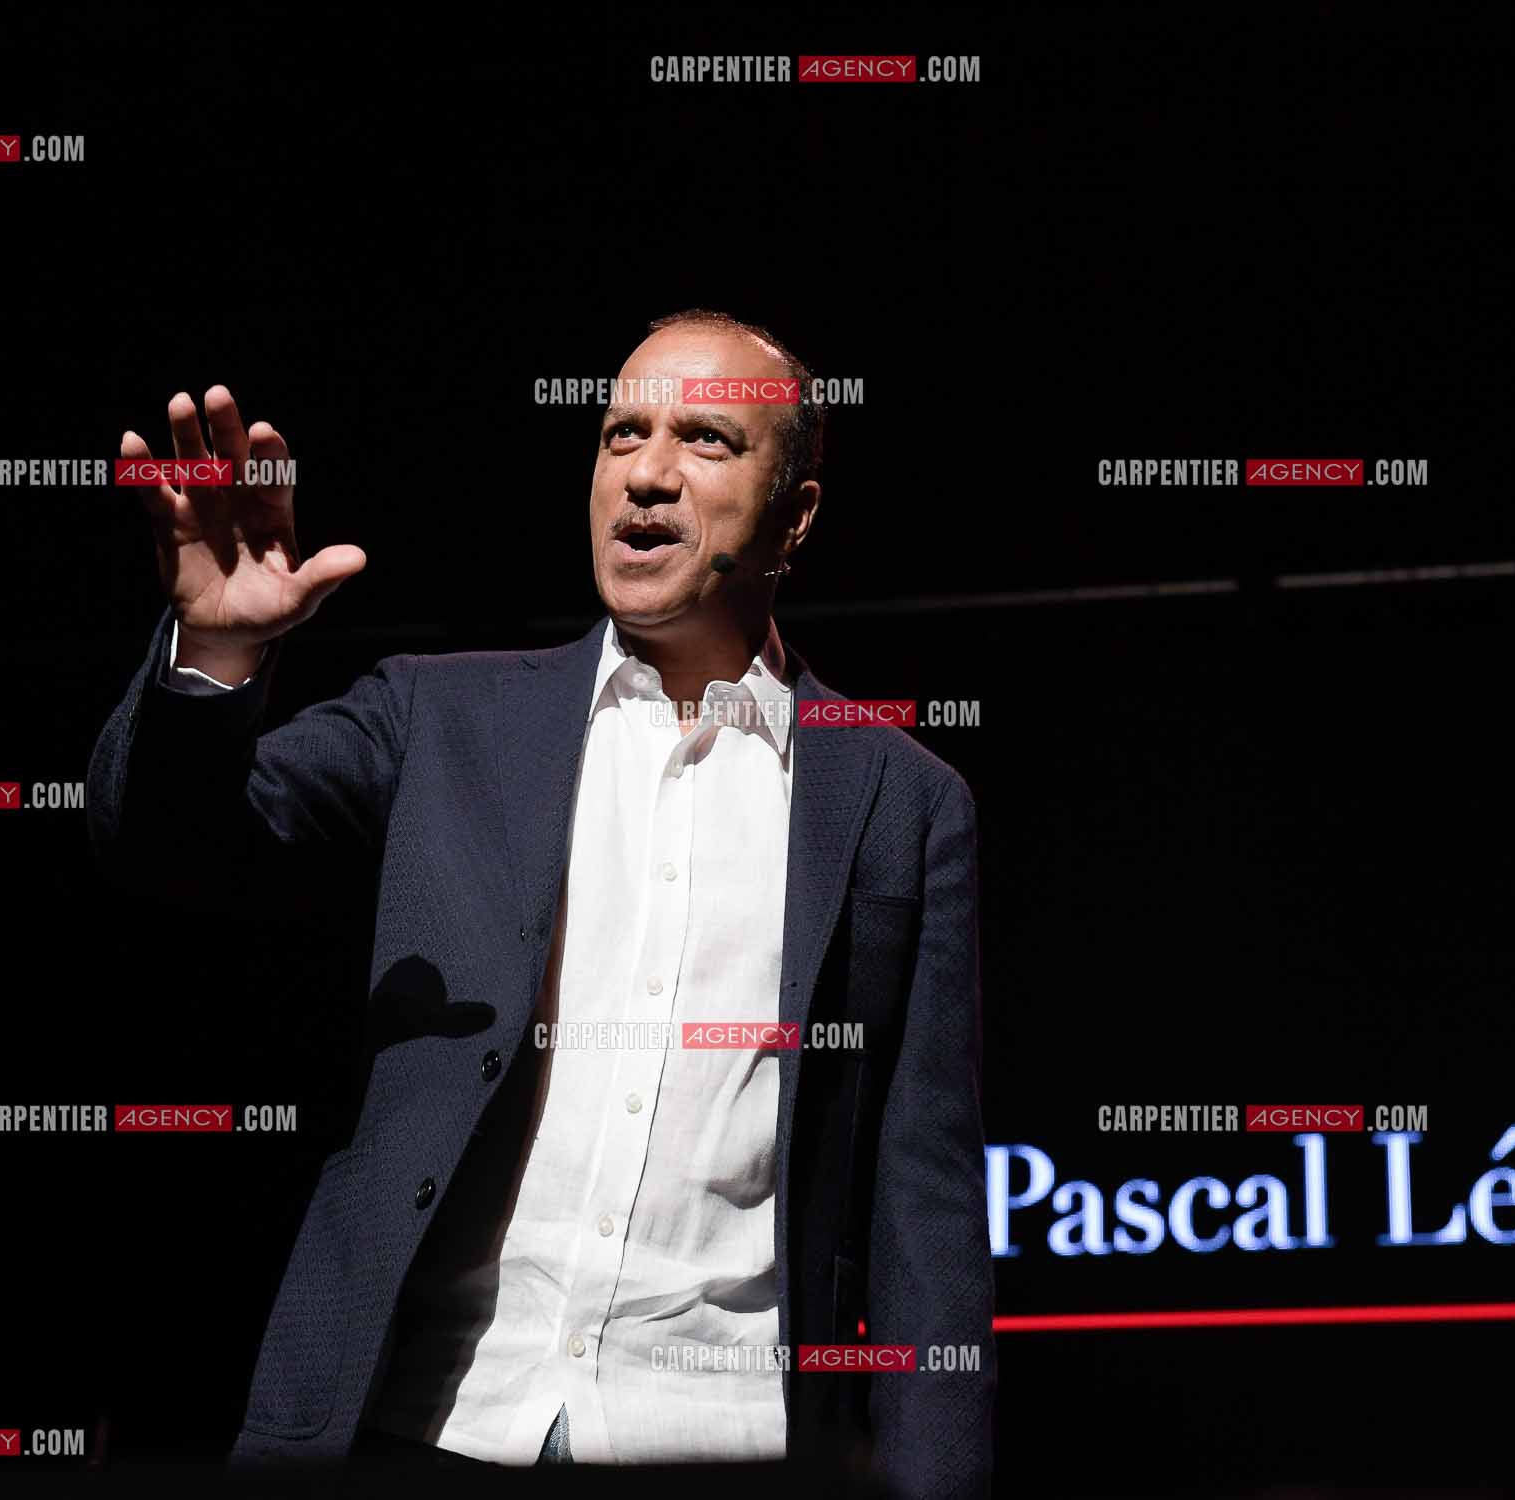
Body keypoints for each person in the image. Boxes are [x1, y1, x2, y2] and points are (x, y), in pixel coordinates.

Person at [88, 310, 993, 1498]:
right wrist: (212, 656)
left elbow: (925, 1211)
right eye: (622, 433)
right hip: (425, 1425)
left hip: (716, 1439)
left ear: (798, 514)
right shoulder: (440, 718)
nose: (647, 473)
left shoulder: (898, 801)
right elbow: (170, 845)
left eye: (706, 438)